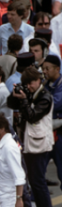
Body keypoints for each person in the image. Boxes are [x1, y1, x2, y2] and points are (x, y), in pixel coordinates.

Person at [7, 66, 55, 207]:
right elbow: (10, 104)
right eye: (26, 84)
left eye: (31, 83)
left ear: (39, 80)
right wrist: (15, 96)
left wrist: (24, 100)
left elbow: (32, 116)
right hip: (29, 142)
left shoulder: (45, 97)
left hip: (39, 144)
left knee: (38, 180)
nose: (29, 86)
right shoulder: (29, 93)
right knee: (33, 180)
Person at [42, 55, 62, 198]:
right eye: (43, 68)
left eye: (47, 68)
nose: (45, 71)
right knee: (38, 170)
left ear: (57, 69)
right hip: (45, 132)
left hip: (59, 134)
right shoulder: (45, 85)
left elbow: (54, 103)